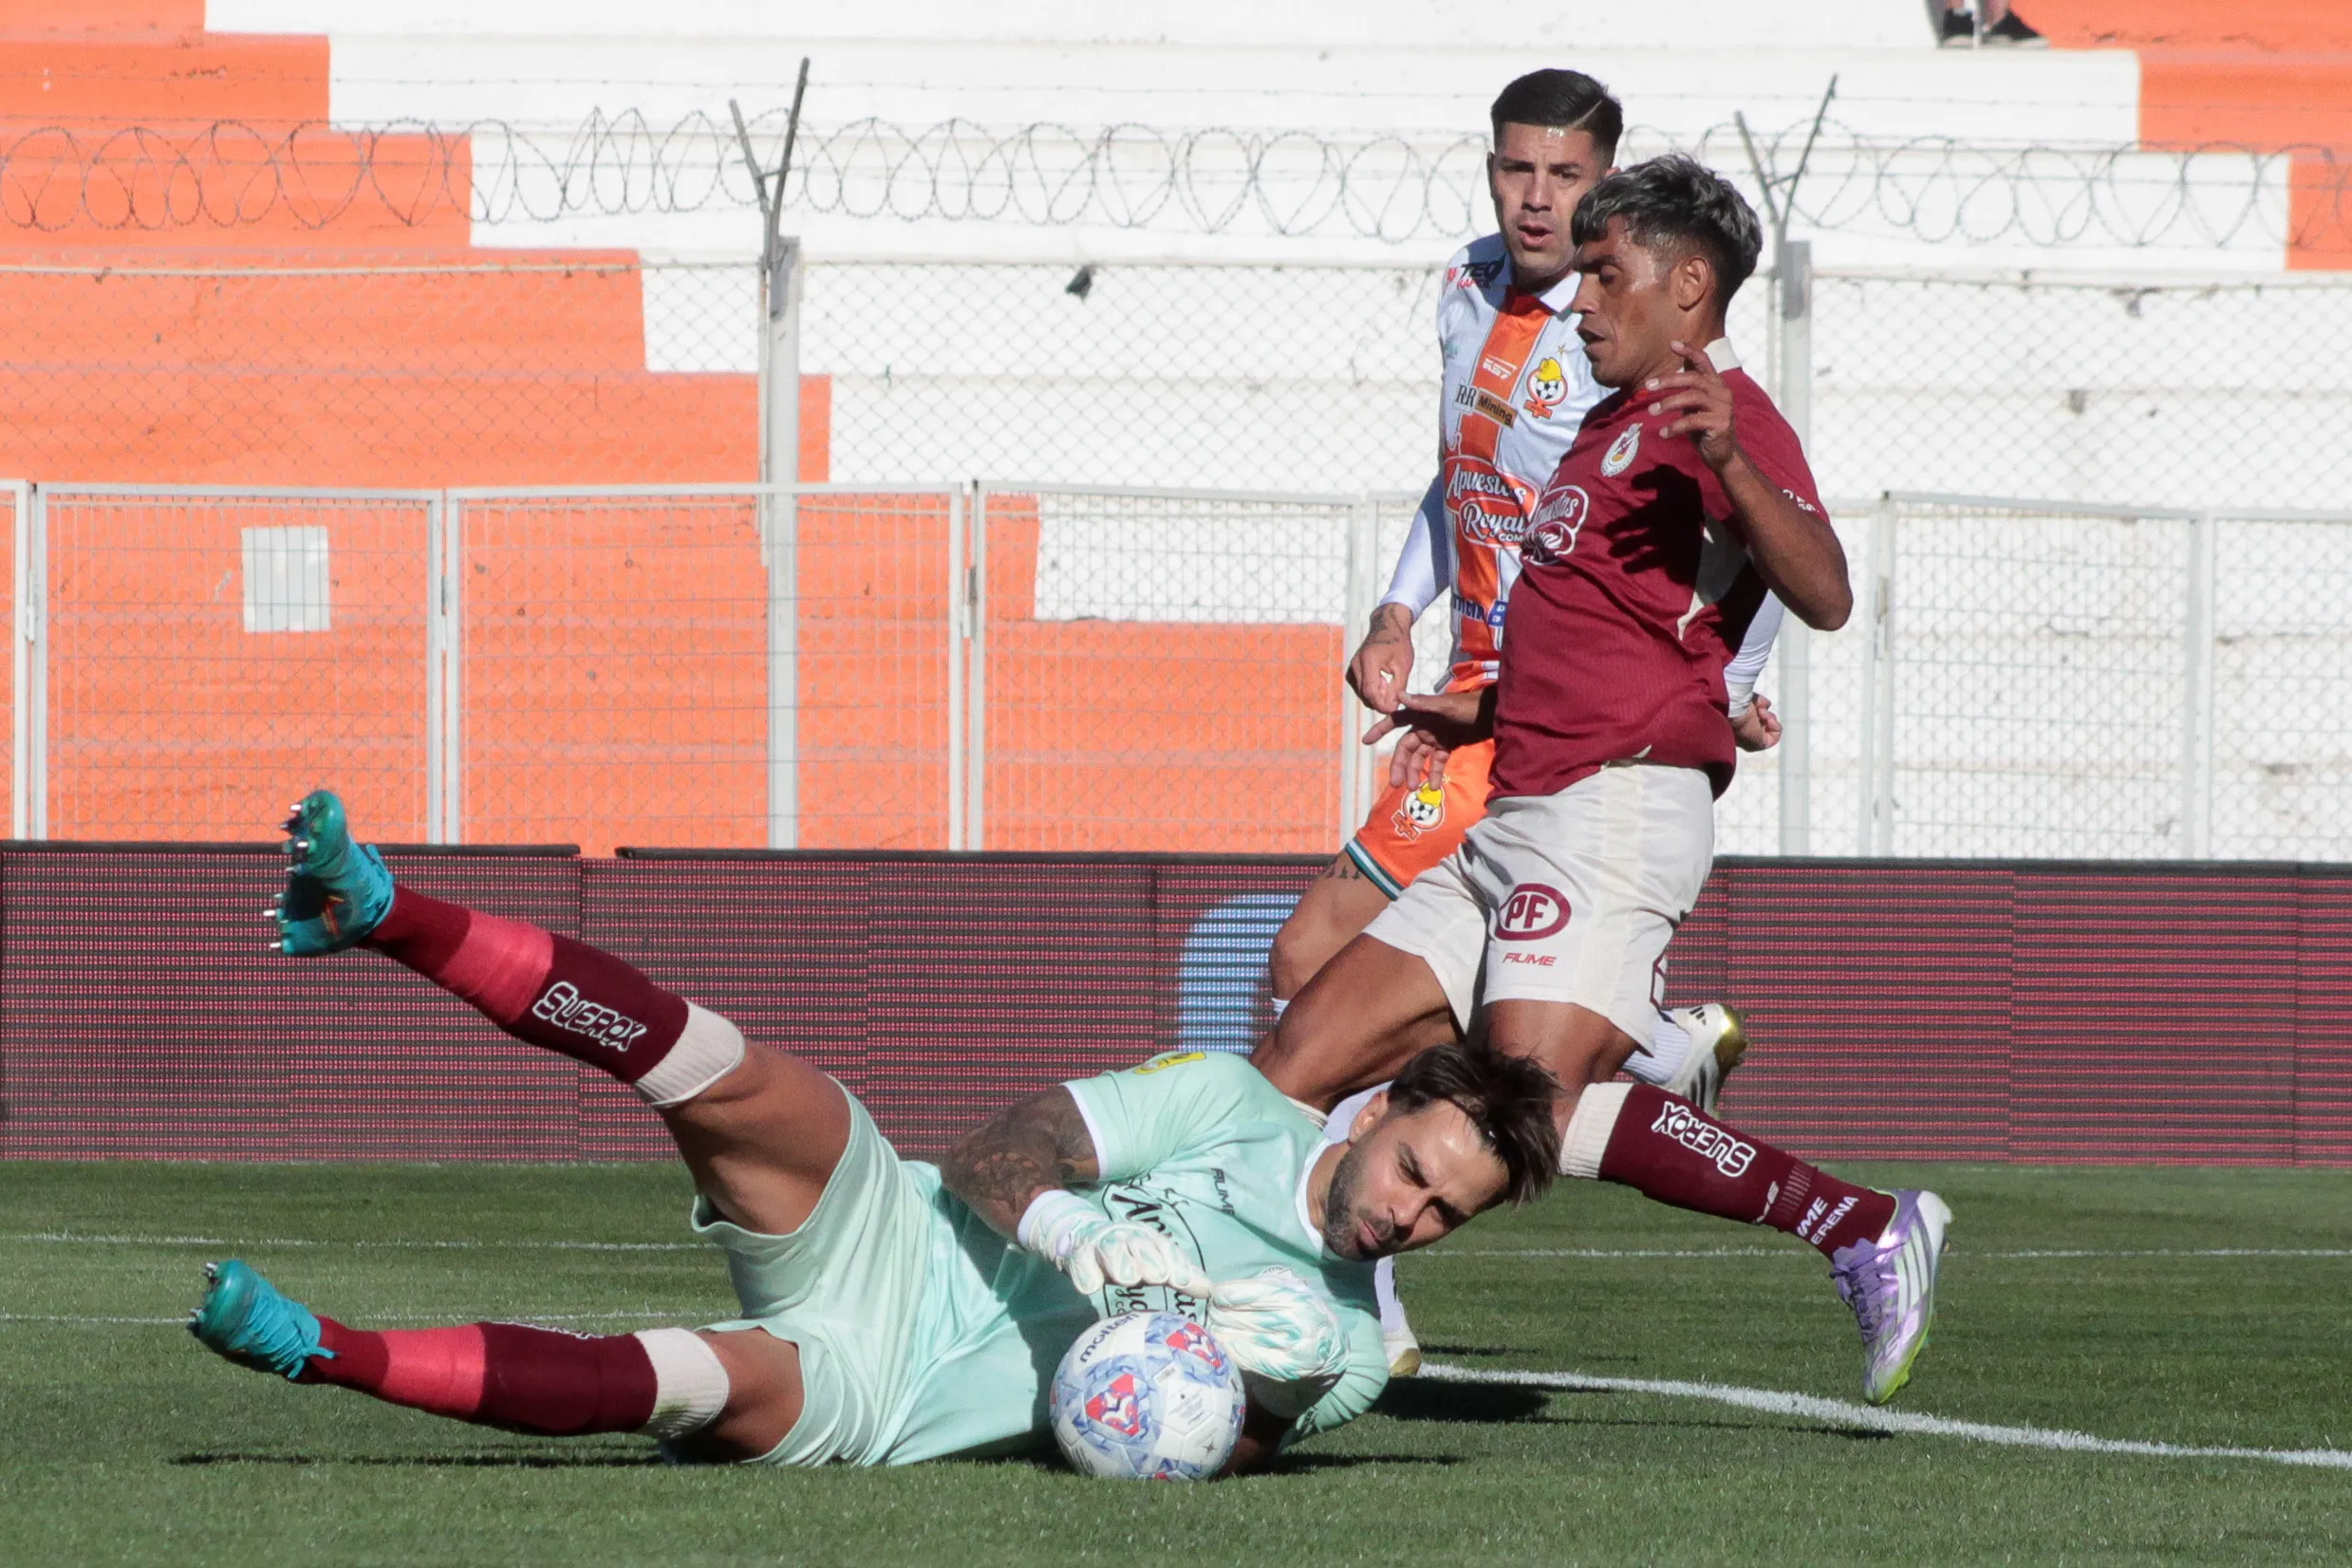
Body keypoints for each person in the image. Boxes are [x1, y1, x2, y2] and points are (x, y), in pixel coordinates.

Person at [186, 792, 1561, 1472]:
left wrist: (1228, 1378)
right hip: (899, 1231)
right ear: (1384, 1107)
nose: (1406, 1217)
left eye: (1444, 1217)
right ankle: (386, 914)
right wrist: (1081, 1237)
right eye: (1414, 1172)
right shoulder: (1229, 1105)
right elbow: (990, 1153)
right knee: (726, 1070)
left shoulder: (1345, 1351)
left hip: (885, 1395)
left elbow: (1191, 1449)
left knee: (678, 1381)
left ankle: (321, 1355)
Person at [1255, 156, 1952, 1408]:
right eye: (1579, 272)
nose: (1578, 299)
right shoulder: (1601, 424)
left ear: (1688, 285)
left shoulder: (1719, 419)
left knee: (1511, 1112)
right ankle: (1307, 1269)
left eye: (1605, 273)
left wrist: (1738, 462)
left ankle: (1855, 1224)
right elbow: (1592, 635)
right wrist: (1452, 705)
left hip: (1611, 812)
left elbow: (1829, 594)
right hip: (1517, 802)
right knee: (1297, 1062)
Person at [1265, 66, 1780, 1376]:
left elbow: (1756, 538)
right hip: (1473, 692)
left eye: (1563, 177)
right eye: (1514, 170)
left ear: (1606, 186)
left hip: (1543, 717)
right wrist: (1396, 611)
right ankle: (1658, 1046)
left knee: (1371, 992)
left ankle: (1362, 1287)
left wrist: (1728, 679)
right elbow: (1458, 481)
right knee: (1337, 997)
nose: (1536, 198)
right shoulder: (1464, 290)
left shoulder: (1631, 348)